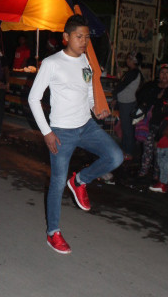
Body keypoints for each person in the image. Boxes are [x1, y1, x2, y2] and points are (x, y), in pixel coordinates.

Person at [28, 14, 123, 254]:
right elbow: (33, 98)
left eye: (87, 37)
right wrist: (47, 132)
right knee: (57, 183)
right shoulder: (52, 63)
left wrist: (95, 106)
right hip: (61, 131)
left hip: (87, 125)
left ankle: (80, 180)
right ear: (66, 37)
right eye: (79, 36)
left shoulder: (87, 62)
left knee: (115, 157)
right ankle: (53, 233)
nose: (84, 41)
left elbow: (88, 91)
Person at [135, 64, 168, 187]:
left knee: (159, 151)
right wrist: (155, 97)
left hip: (164, 126)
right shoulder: (152, 86)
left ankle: (157, 174)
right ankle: (143, 171)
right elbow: (141, 97)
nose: (164, 75)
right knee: (147, 148)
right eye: (162, 72)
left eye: (167, 72)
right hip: (150, 123)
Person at [111, 51, 144, 160]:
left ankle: (128, 152)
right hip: (125, 102)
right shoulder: (132, 72)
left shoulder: (133, 73)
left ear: (134, 61)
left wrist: (114, 95)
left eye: (130, 59)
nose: (127, 60)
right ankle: (125, 150)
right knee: (126, 128)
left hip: (127, 103)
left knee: (128, 129)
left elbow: (122, 85)